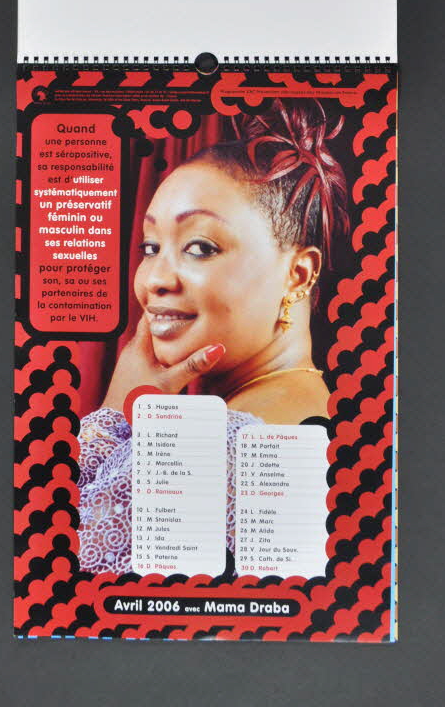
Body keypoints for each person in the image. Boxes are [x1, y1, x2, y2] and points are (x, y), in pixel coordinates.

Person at [77, 100, 350, 574]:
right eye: (151, 247)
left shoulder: (222, 444)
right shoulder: (312, 409)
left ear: (298, 274)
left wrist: (115, 415)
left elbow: (53, 570)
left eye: (200, 247)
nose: (154, 280)